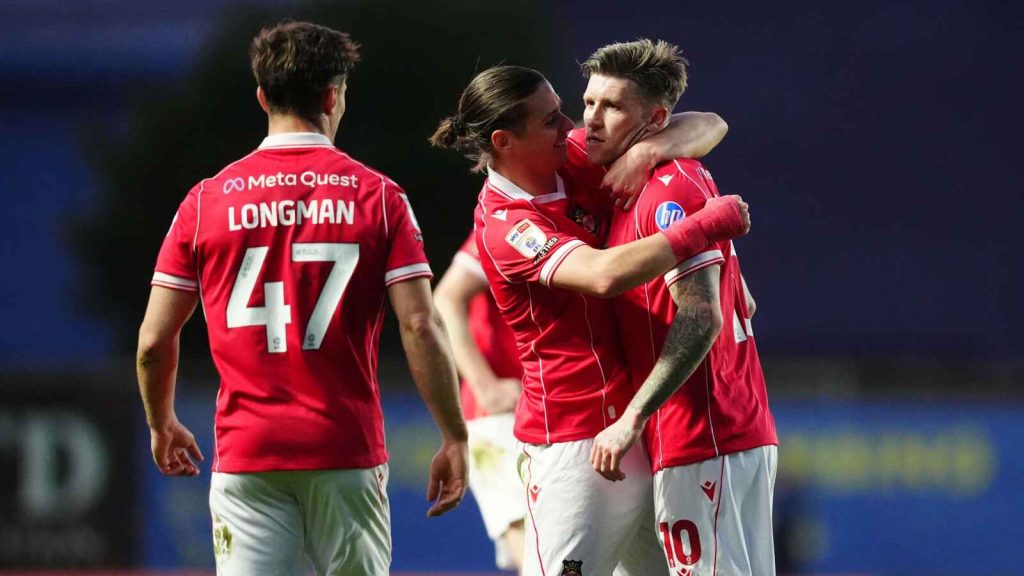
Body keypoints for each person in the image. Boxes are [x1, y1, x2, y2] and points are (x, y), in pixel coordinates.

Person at [136, 21, 468, 576]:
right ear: (333, 95)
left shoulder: (204, 202)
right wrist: (454, 434)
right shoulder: (381, 198)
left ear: (263, 96)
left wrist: (160, 420)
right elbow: (421, 326)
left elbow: (153, 341)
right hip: (346, 449)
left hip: (248, 453)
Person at [430, 65, 749, 576]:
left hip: (635, 430)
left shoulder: (569, 158)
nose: (570, 124)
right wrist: (708, 224)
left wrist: (648, 150)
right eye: (551, 119)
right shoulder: (507, 225)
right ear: (504, 141)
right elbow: (602, 275)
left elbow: (710, 124)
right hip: (573, 447)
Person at [583, 40, 778, 575]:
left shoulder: (667, 190)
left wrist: (631, 418)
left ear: (655, 119)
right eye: (589, 103)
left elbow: (702, 315)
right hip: (713, 432)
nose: (592, 121)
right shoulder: (638, 171)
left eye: (612, 106)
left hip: (705, 432)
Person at [434, 232, 526, 573]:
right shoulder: (504, 222)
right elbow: (445, 298)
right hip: (497, 418)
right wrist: (485, 385)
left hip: (549, 414)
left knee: (560, 552)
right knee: (536, 552)